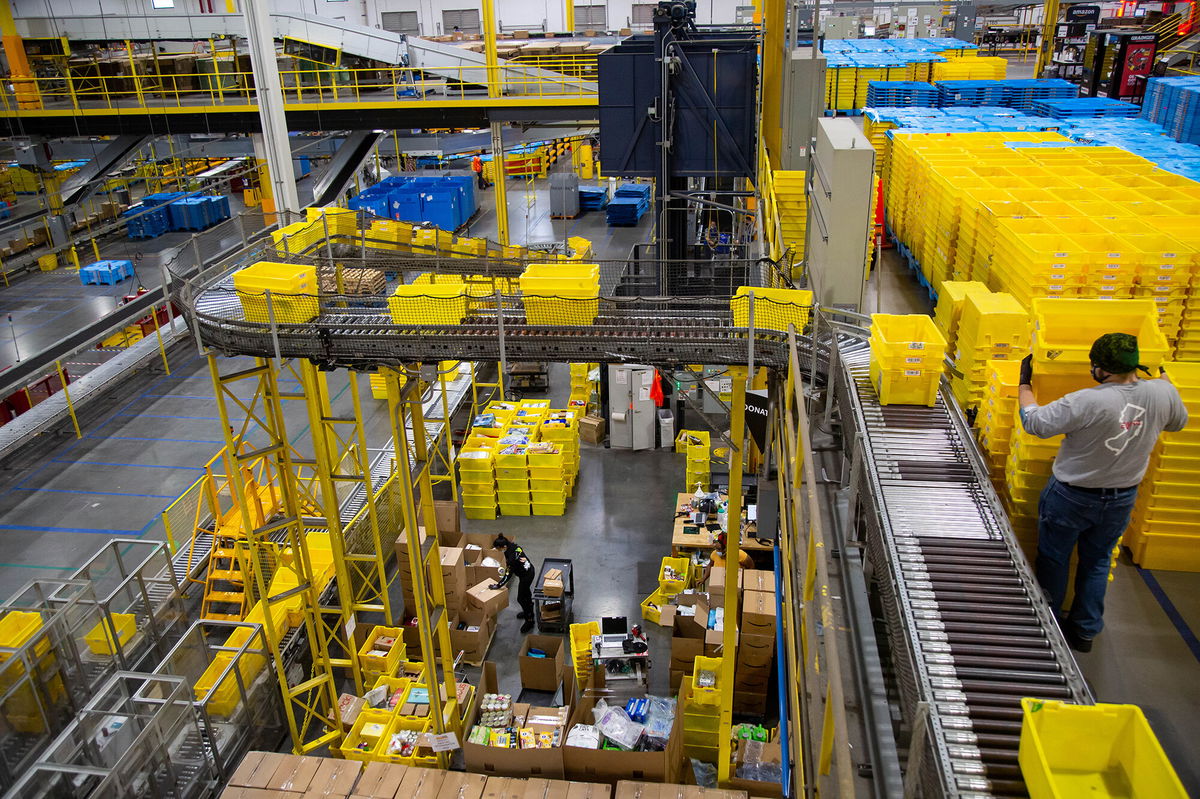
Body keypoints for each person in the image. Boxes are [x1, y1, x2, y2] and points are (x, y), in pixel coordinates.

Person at [1018, 333, 1187, 653]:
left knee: (1054, 559)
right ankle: (1084, 631)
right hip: (1121, 497)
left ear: (1103, 370)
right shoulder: (1162, 393)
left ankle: (1048, 626)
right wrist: (1164, 381)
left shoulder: (1087, 400)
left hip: (1072, 496)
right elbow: (1178, 422)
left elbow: (1036, 424)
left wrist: (1025, 387)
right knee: (1097, 561)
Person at [489, 534, 536, 633]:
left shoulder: (511, 558)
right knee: (526, 594)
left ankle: (529, 621)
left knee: (521, 598)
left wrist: (498, 585)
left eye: (498, 549)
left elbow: (508, 574)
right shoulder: (514, 547)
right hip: (529, 571)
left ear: (504, 547)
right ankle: (529, 611)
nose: (497, 551)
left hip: (526, 576)